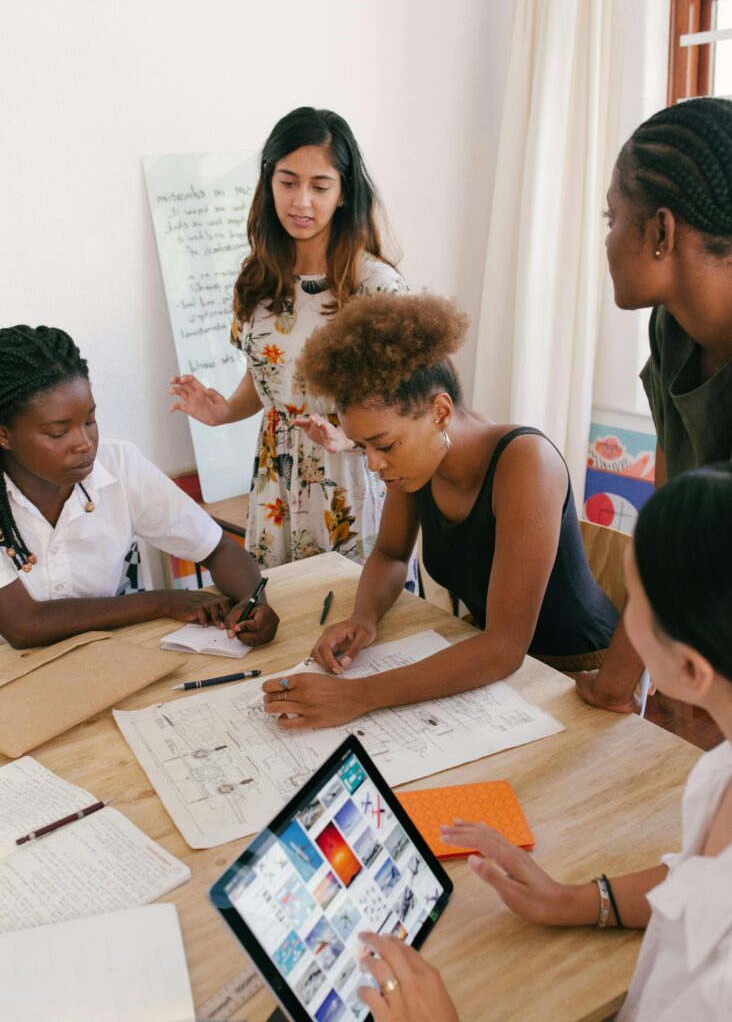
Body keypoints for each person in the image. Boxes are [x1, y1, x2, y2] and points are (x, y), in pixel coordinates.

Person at [355, 463, 732, 1022]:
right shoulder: (719, 768)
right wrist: (581, 900)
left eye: (634, 609)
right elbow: (706, 886)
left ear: (691, 670)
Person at [260, 293, 617, 729]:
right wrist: (364, 617)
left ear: (440, 412)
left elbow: (505, 648)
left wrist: (358, 695)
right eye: (363, 446)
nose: (373, 463)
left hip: (577, 671)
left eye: (384, 445)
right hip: (486, 650)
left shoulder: (526, 463)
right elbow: (391, 554)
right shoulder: (415, 465)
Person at [169, 106, 408, 572]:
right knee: (284, 622)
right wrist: (222, 412)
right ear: (268, 183)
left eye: (319, 186)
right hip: (277, 477)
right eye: (288, 181)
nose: (301, 201)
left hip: (353, 477)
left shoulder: (378, 289)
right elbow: (267, 382)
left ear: (343, 193)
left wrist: (349, 439)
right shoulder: (256, 281)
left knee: (353, 622)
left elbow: (411, 411)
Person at [579, 96, 732, 714]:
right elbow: (668, 521)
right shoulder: (670, 328)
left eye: (612, 218)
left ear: (662, 232)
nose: (608, 239)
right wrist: (622, 681)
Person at [0, 325, 278, 649]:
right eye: (58, 433)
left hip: (104, 657)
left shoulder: (118, 465)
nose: (85, 443)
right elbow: (22, 625)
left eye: (89, 421)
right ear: (4, 435)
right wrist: (163, 602)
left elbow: (218, 548)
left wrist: (252, 601)